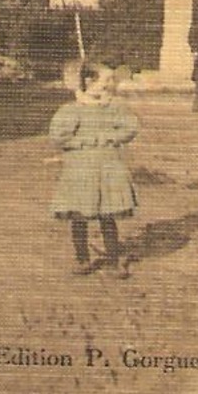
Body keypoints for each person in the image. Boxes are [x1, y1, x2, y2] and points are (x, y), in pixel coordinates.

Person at [49, 61, 140, 277]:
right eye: (106, 80)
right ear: (89, 81)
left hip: (108, 169)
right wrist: (82, 141)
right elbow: (58, 136)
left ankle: (113, 260)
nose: (110, 84)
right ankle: (82, 259)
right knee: (79, 217)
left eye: (111, 79)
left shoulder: (113, 107)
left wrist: (111, 137)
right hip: (81, 172)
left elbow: (131, 127)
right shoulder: (72, 110)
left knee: (107, 216)